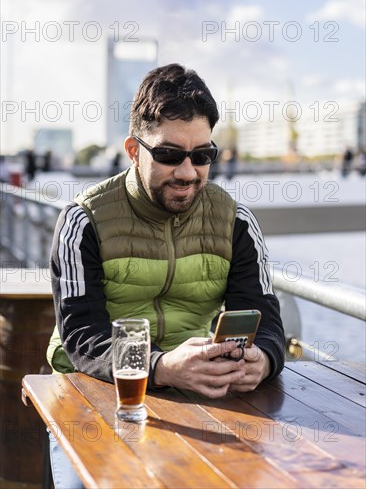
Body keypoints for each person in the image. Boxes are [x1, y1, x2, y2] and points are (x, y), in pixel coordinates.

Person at [46, 63, 284, 488]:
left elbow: (265, 319)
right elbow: (82, 337)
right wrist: (161, 366)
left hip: (196, 392)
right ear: (134, 150)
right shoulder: (83, 220)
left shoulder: (236, 221)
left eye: (203, 155)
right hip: (89, 390)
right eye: (170, 154)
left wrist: (263, 361)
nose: (188, 172)